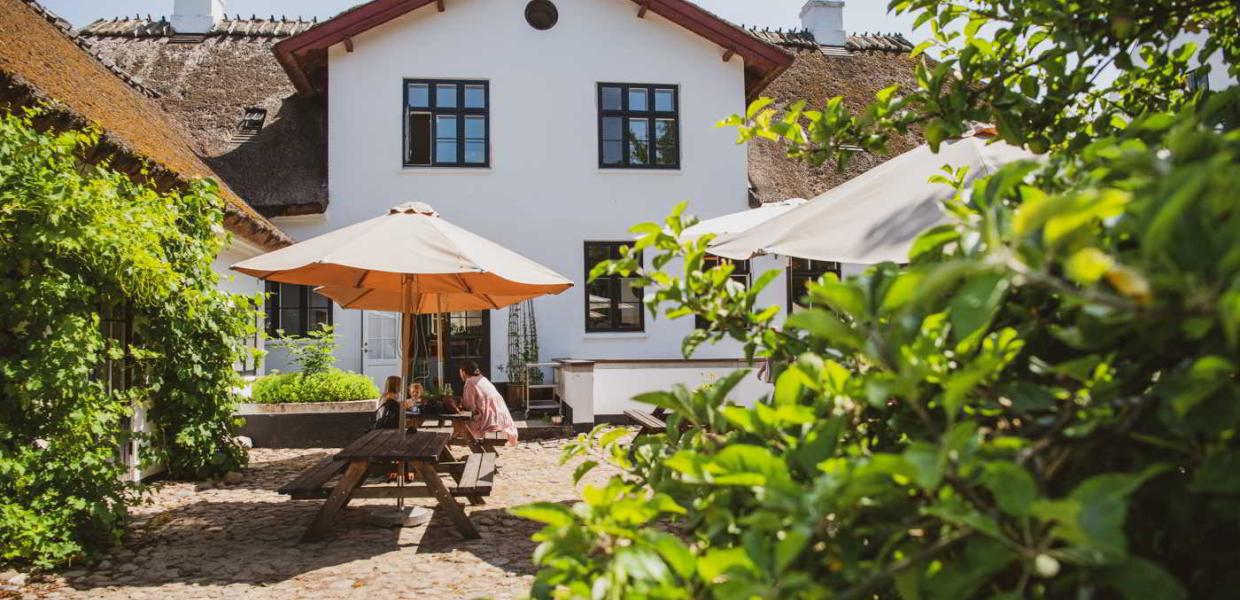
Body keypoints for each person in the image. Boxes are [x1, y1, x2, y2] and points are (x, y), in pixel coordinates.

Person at [456, 360, 518, 447]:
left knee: (460, 422)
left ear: (464, 372)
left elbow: (469, 407)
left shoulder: (470, 382)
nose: (459, 374)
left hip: (488, 421)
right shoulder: (483, 379)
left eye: (460, 371)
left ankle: (453, 441)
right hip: (501, 420)